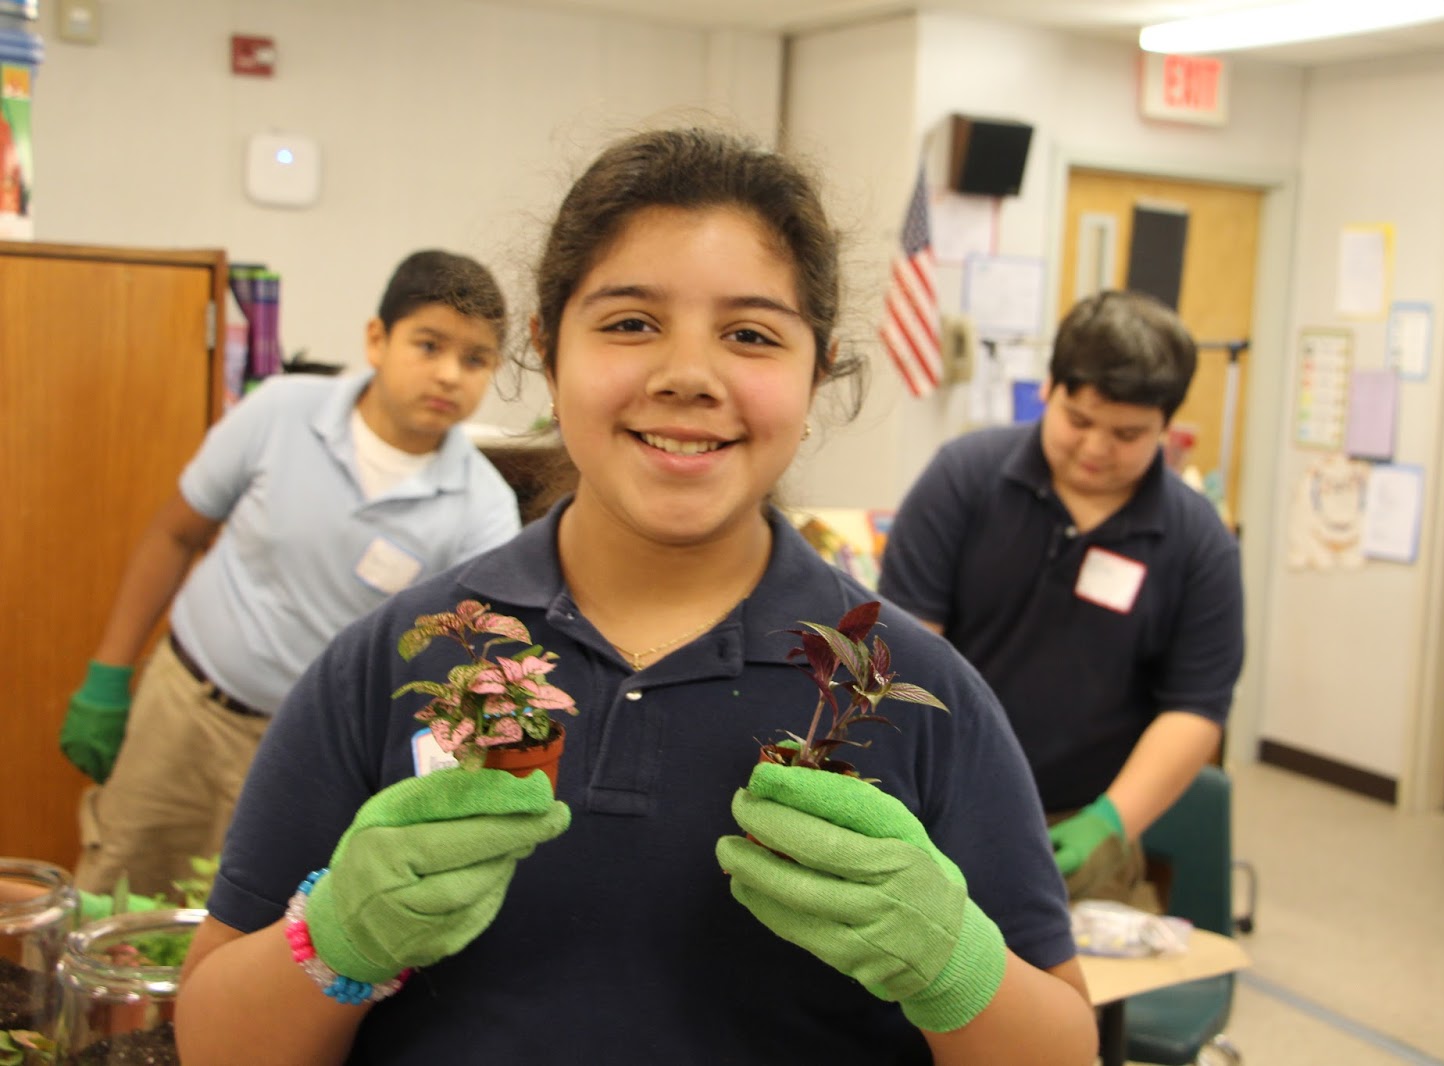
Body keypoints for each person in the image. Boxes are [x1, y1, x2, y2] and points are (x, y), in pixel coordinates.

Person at [174, 128, 1098, 1065]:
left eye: (750, 335)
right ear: (545, 348)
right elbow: (213, 1040)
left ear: (817, 371)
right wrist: (334, 941)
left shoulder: (909, 690)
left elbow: (1063, 1047)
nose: (687, 377)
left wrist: (953, 964)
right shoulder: (399, 660)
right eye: (628, 323)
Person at [61, 249, 522, 899]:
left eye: (475, 359)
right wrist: (108, 674)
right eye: (429, 344)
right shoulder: (278, 412)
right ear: (376, 339)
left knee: (262, 932)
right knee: (118, 900)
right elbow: (176, 532)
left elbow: (461, 667)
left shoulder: (485, 509)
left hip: (315, 758)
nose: (449, 374)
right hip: (188, 714)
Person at [878, 289, 1244, 904]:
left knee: (1073, 999)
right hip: (936, 811)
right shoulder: (962, 480)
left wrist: (1110, 824)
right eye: (1079, 420)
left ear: (1166, 427)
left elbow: (1195, 708)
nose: (1096, 450)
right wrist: (936, 803)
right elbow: (908, 651)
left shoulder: (1199, 543)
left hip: (1083, 822)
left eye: (1128, 434)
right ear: (1049, 390)